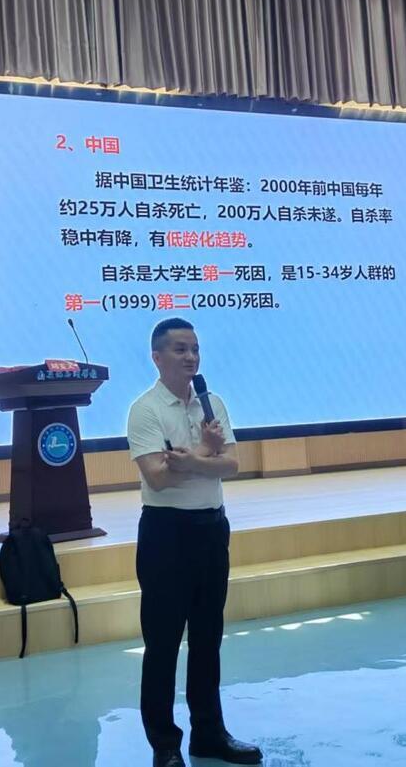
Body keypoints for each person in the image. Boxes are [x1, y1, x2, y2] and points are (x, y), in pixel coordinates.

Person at [127, 318, 263, 767]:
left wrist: (192, 460)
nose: (191, 357)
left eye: (195, 349)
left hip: (211, 529)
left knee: (207, 638)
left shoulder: (212, 403)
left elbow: (233, 465)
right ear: (157, 357)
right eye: (180, 349)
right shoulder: (145, 410)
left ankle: (209, 734)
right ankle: (165, 745)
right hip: (166, 534)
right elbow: (158, 478)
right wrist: (205, 453)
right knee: (163, 643)